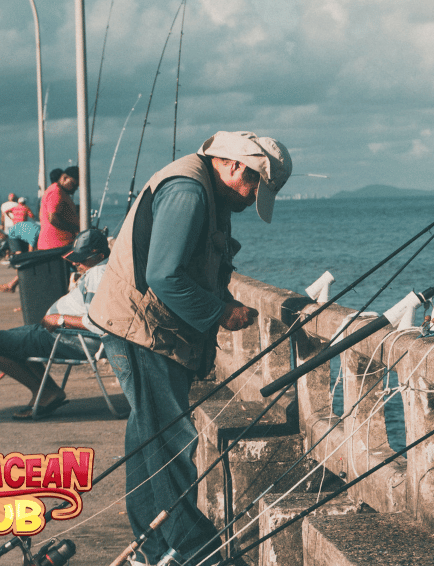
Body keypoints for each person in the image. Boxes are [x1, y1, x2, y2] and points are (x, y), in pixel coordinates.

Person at [89, 131, 291, 564]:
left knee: (149, 445)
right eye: (253, 185)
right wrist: (221, 312)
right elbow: (165, 277)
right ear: (235, 164)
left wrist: (220, 296)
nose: (251, 198)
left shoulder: (212, 191)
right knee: (172, 444)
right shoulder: (188, 192)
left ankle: (154, 549)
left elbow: (194, 264)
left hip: (149, 333)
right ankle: (197, 552)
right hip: (142, 333)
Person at [0, 229, 111, 419]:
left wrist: (58, 319)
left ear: (99, 256)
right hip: (62, 335)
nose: (76, 263)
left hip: (67, 339)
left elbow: (100, 323)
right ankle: (48, 392)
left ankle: (47, 393)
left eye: (82, 259)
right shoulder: (105, 268)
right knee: (12, 342)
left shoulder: (98, 273)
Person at [39, 166, 80, 250]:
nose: (75, 188)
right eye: (73, 184)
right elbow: (53, 218)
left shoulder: (61, 193)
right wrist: (74, 229)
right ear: (65, 178)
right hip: (57, 247)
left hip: (60, 245)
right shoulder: (56, 191)